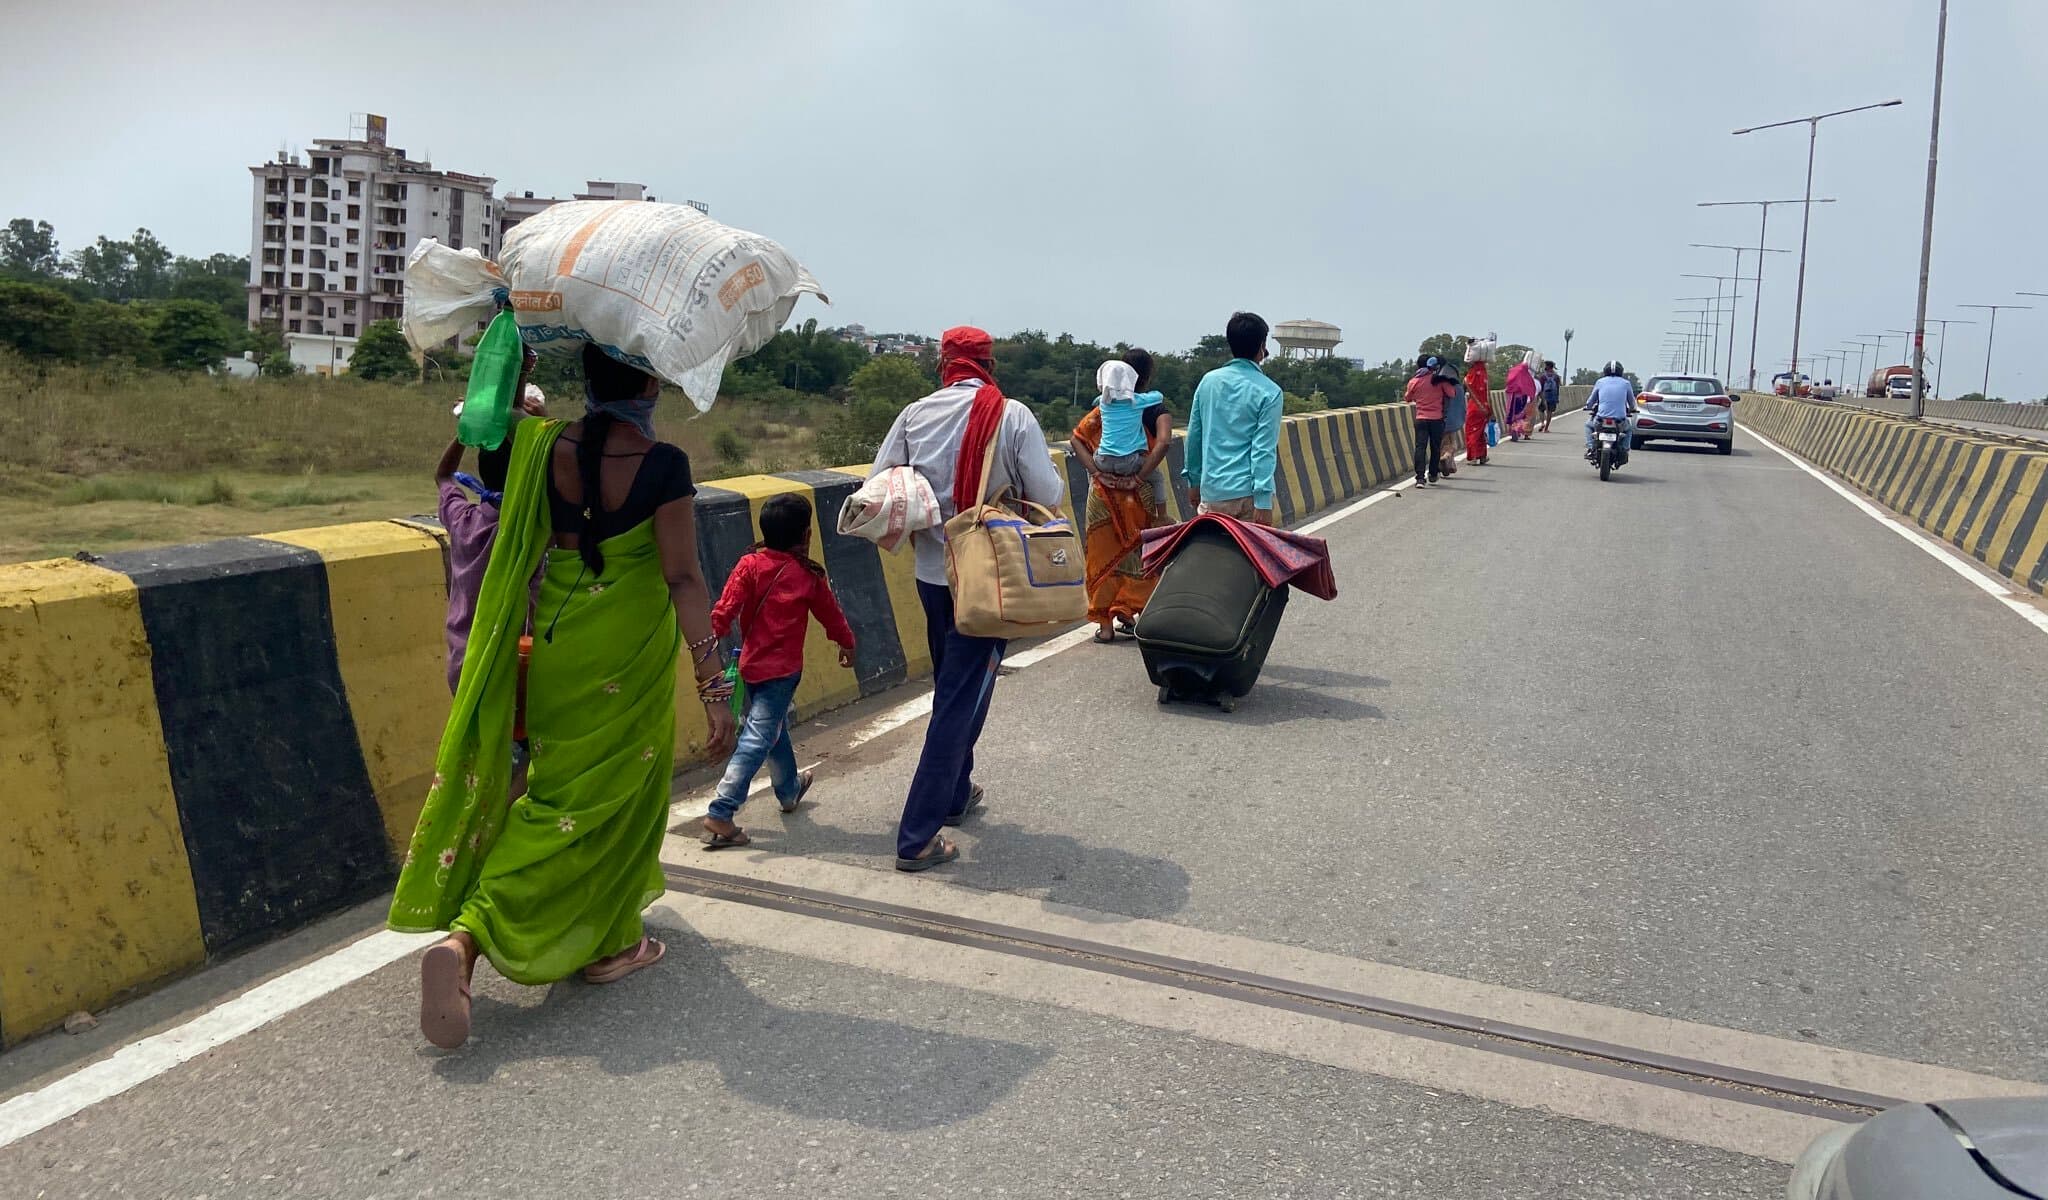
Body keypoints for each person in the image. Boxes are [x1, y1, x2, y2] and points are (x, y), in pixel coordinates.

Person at [391, 342, 738, 1051]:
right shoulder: (665, 464)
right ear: (648, 380)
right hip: (625, 658)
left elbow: (482, 436)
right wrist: (715, 685)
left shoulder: (541, 446)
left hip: (553, 646)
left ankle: (600, 936)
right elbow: (683, 579)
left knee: (555, 795)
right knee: (608, 801)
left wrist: (510, 358)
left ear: (585, 379)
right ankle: (476, 938)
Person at [869, 326, 1067, 871]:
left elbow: (880, 482)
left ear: (944, 363)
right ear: (987, 362)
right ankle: (918, 836)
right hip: (987, 579)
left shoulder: (914, 413)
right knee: (959, 700)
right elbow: (1047, 493)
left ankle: (956, 794)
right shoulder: (1012, 415)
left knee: (956, 687)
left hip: (932, 575)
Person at [700, 493, 856, 849]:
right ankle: (721, 810)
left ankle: (788, 791)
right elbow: (831, 616)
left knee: (770, 728)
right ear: (806, 536)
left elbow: (723, 613)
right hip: (782, 673)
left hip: (750, 666)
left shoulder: (749, 565)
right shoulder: (808, 575)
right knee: (759, 734)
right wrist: (847, 644)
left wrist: (705, 649)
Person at [1069, 350, 1172, 642]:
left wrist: (1097, 473)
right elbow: (1164, 442)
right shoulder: (1155, 408)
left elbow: (1077, 438)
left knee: (1102, 556)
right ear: (1146, 376)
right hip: (1139, 494)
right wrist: (1140, 476)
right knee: (1140, 555)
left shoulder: (1103, 407)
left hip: (1103, 493)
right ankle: (1132, 613)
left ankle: (1104, 625)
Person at [1185, 312, 1283, 524]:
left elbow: (1194, 437)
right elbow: (1263, 450)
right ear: (1262, 346)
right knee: (1253, 556)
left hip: (1212, 493)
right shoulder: (1270, 392)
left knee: (1209, 555)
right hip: (1248, 497)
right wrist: (1264, 502)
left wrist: (1193, 481)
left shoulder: (1208, 383)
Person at [1404, 354, 1455, 488]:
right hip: (1437, 419)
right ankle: (1432, 474)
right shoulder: (1439, 380)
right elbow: (1452, 394)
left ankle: (1420, 478)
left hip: (1421, 418)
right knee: (1435, 447)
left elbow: (1407, 398)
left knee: (1420, 448)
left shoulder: (1414, 381)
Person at [1584, 360, 1638, 457]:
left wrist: (1588, 406)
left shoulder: (1600, 382)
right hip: (1619, 421)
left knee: (1588, 425)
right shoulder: (1626, 383)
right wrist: (1633, 409)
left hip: (1601, 420)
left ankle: (1591, 448)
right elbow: (1632, 402)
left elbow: (1591, 400)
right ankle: (1624, 449)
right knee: (1629, 429)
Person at [1503, 352, 1538, 442]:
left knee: (1512, 414)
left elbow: (1508, 383)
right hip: (1522, 397)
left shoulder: (1514, 371)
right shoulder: (1526, 375)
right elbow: (1531, 387)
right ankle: (1516, 430)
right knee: (1520, 415)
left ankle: (1513, 431)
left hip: (1512, 396)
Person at [1537, 360, 1562, 433]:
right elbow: (1557, 387)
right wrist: (1557, 398)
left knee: (1541, 409)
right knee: (1549, 412)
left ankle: (1542, 423)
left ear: (1547, 366)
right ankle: (1546, 428)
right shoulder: (1556, 377)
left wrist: (1539, 396)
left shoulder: (1543, 376)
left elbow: (1540, 387)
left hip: (1544, 396)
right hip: (1553, 397)